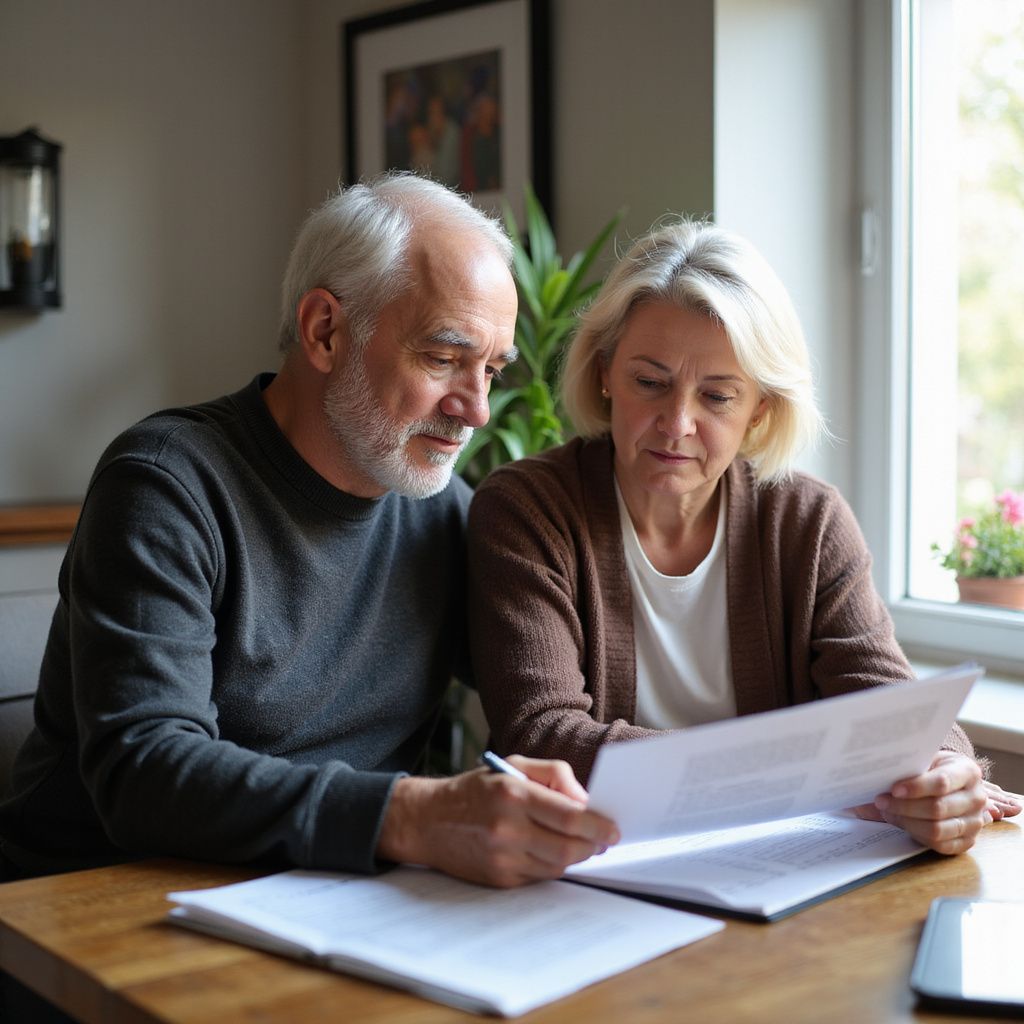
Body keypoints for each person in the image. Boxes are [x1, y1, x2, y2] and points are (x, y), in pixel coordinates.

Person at [0, 173, 618, 893]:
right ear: (325, 331)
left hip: (324, 899)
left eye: (492, 370)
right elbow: (144, 770)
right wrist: (416, 814)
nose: (477, 410)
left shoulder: (443, 512)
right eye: (444, 358)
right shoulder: (167, 484)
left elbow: (562, 696)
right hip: (90, 909)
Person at [467, 218, 1022, 858]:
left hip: (778, 881)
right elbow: (541, 736)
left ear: (760, 408)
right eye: (650, 382)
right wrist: (789, 773)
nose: (677, 423)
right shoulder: (527, 510)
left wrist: (946, 772)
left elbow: (888, 708)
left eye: (718, 396)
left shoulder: (808, 522)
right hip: (592, 875)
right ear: (603, 373)